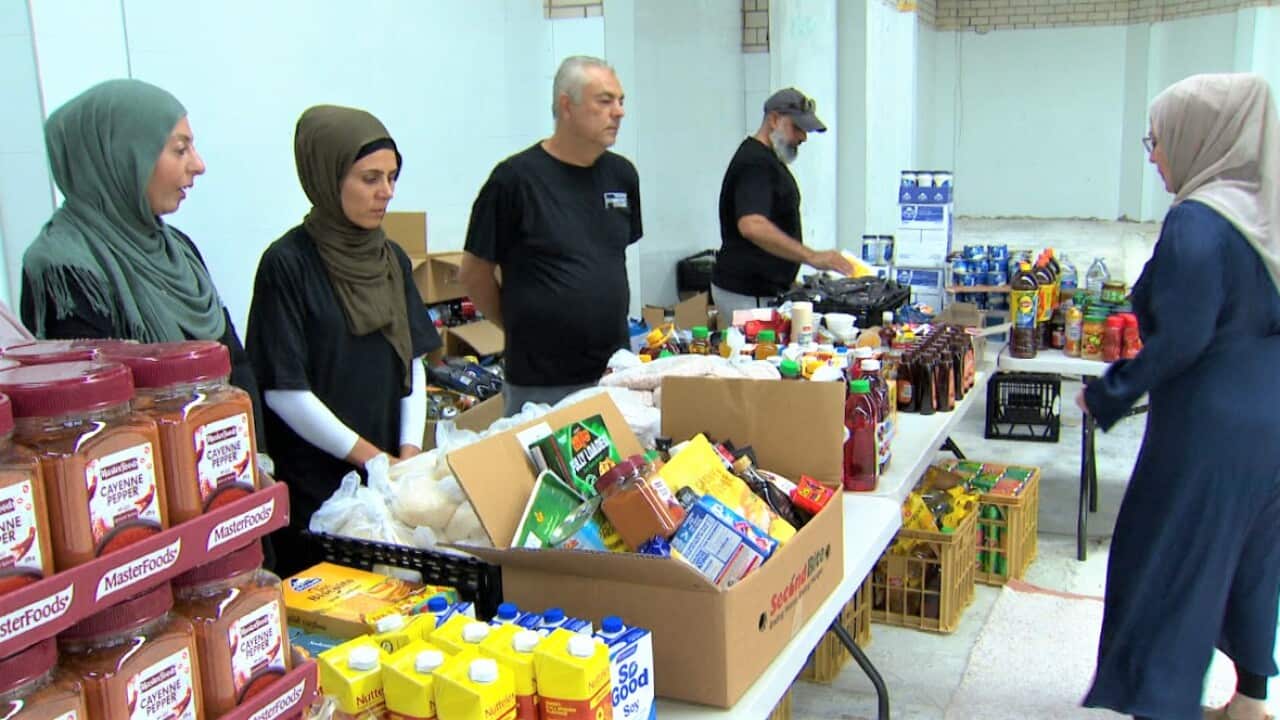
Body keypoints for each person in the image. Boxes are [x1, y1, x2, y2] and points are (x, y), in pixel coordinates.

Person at [1077, 73, 1279, 720]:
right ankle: (1251, 703)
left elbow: (1184, 338)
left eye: (1157, 140)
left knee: (1167, 564)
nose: (1154, 156)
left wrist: (1110, 394)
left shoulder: (1200, 221)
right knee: (1251, 557)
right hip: (1269, 420)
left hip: (1209, 424)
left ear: (1203, 136)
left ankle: (1162, 705)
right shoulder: (1267, 216)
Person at [246, 105, 441, 576]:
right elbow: (284, 390)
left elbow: (412, 358)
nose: (386, 193)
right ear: (326, 177)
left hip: (387, 479)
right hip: (319, 488)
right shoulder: (287, 264)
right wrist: (372, 459)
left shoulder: (390, 258)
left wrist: (407, 458)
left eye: (392, 177)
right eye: (370, 178)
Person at [20, 78, 265, 441]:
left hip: (221, 464)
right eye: (180, 150)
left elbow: (236, 367)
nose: (198, 165)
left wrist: (255, 459)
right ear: (121, 155)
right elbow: (97, 416)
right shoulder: (65, 266)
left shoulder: (178, 249)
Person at [461, 55, 642, 416]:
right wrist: (523, 327)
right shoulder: (514, 181)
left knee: (615, 473)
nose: (618, 112)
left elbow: (608, 262)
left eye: (621, 101)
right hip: (540, 382)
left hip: (613, 374)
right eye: (605, 101)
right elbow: (474, 274)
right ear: (567, 105)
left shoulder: (622, 176)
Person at [711, 88, 853, 320]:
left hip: (764, 289)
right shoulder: (755, 163)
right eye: (797, 128)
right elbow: (752, 225)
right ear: (774, 120)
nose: (803, 137)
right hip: (749, 292)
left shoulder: (767, 160)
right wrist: (811, 256)